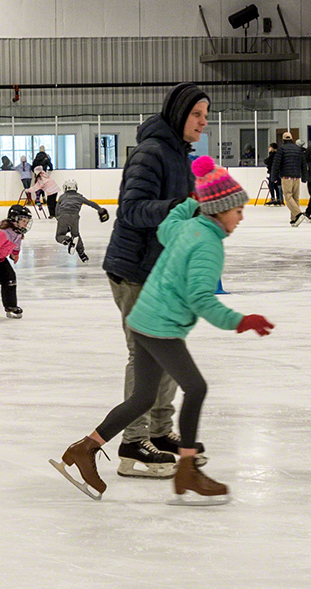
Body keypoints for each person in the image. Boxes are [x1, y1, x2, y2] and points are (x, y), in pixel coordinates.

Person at [53, 157, 273, 505]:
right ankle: (188, 469)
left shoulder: (187, 229)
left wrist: (193, 199)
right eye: (237, 210)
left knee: (142, 397)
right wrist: (240, 321)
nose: (241, 217)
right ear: (219, 209)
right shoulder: (208, 245)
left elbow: (168, 223)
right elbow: (202, 299)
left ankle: (85, 448)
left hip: (144, 318)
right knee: (196, 388)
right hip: (160, 327)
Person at [101, 82, 208, 479]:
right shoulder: (152, 153)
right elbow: (131, 210)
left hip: (160, 274)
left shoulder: (180, 155)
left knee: (165, 360)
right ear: (179, 113)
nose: (203, 121)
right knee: (143, 357)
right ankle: (133, 442)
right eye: (197, 114)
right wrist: (181, 208)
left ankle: (159, 435)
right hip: (134, 271)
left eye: (205, 114)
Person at [55, 179, 109, 263]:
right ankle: (82, 255)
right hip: (74, 217)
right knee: (76, 235)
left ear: (65, 188)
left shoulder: (62, 197)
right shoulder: (79, 197)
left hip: (63, 216)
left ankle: (67, 240)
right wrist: (100, 210)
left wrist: (59, 219)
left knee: (59, 236)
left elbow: (57, 210)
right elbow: (91, 203)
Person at [271, 131, 307, 227]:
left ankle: (298, 214)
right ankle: (294, 219)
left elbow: (276, 164)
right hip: (297, 177)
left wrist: (273, 177)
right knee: (295, 198)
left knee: (288, 196)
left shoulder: (281, 149)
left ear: (283, 139)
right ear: (292, 139)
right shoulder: (298, 149)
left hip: (287, 177)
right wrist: (304, 177)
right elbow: (303, 164)